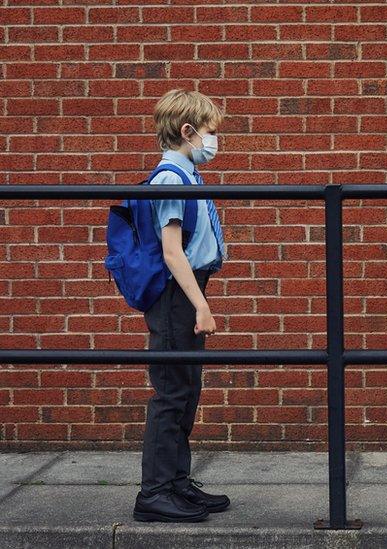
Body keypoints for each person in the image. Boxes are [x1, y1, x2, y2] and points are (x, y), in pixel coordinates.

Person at [133, 89, 230, 523]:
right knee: (171, 393)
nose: (214, 141)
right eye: (211, 133)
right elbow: (172, 252)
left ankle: (176, 482)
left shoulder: (187, 173)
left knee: (186, 390)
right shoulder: (171, 177)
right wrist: (201, 307)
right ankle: (154, 492)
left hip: (188, 289)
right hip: (178, 293)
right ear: (188, 132)